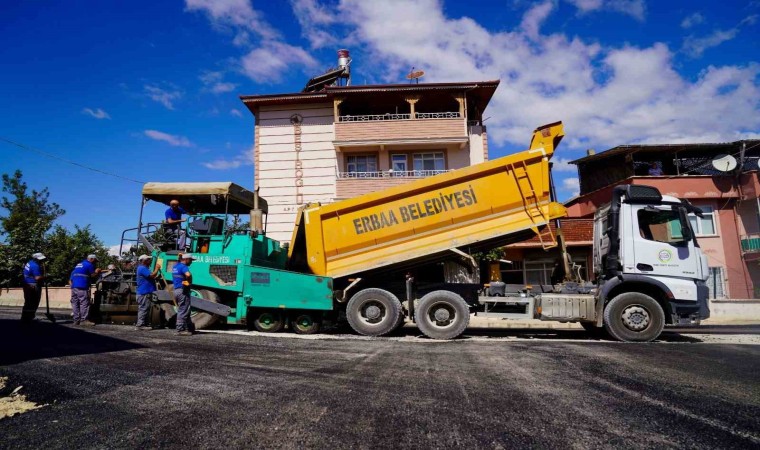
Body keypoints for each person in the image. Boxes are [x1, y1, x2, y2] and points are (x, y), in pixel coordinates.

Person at [69, 254, 102, 326]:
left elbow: (71, 277)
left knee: (75, 303)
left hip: (74, 286)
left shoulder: (78, 265)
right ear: (92, 259)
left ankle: (76, 320)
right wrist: (97, 271)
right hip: (82, 286)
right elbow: (93, 275)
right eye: (95, 261)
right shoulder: (89, 265)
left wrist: (72, 286)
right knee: (84, 303)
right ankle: (84, 320)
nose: (95, 263)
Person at [172, 253, 197, 336]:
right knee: (183, 310)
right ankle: (180, 329)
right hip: (183, 291)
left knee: (184, 310)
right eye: (190, 260)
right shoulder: (183, 267)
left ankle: (188, 327)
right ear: (186, 260)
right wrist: (188, 282)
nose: (191, 262)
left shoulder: (175, 266)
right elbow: (188, 274)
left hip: (176, 290)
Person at [135, 254, 161, 330]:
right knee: (143, 308)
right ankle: (140, 325)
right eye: (148, 259)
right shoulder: (142, 268)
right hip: (143, 292)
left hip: (145, 292)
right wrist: (156, 268)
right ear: (144, 261)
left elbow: (151, 277)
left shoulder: (144, 268)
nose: (150, 261)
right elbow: (152, 275)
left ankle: (144, 324)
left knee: (146, 308)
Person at [21, 252, 47, 324]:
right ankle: (29, 318)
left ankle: (24, 318)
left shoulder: (29, 263)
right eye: (40, 259)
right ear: (36, 259)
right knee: (34, 302)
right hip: (33, 285)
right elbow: (37, 278)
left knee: (28, 302)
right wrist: (44, 277)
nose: (41, 261)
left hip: (26, 283)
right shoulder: (35, 266)